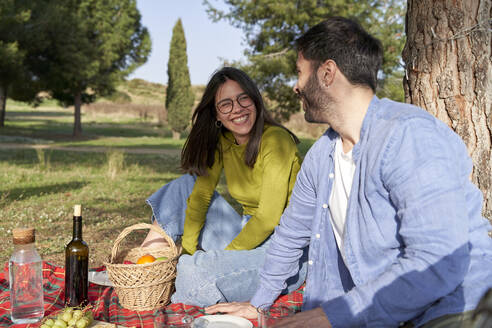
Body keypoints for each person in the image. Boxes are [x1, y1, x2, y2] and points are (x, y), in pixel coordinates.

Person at [205, 17, 492, 327]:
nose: (296, 85)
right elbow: (290, 235)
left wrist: (332, 315)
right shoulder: (321, 155)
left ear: (327, 73)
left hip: (453, 308)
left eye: (300, 73)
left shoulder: (409, 136)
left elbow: (437, 261)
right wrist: (258, 303)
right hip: (384, 312)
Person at [141, 66, 308, 307]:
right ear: (217, 115)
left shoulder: (276, 140)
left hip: (286, 248)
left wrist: (226, 257)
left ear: (255, 101)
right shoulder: (224, 142)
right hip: (246, 230)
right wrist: (187, 250)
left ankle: (182, 275)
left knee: (193, 271)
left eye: (243, 98)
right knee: (185, 186)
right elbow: (200, 197)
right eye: (226, 104)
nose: (237, 109)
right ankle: (145, 267)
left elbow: (268, 219)